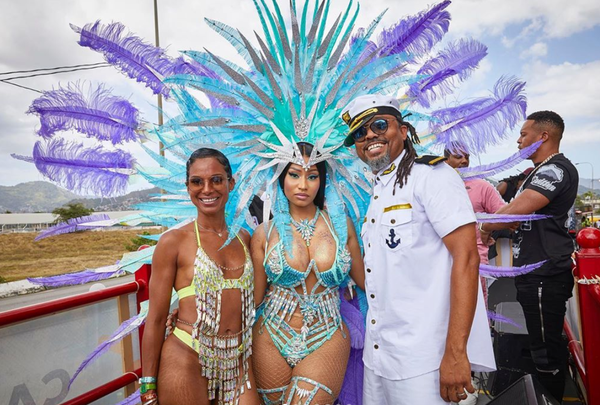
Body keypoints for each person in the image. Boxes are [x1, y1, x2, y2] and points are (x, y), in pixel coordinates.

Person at [342, 94, 495, 405]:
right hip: (380, 356)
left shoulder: (432, 176)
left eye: (379, 125)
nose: (369, 136)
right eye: (359, 132)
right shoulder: (378, 191)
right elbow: (381, 275)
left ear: (403, 130)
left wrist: (456, 354)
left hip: (427, 362)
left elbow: (467, 259)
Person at [140, 148, 260, 405]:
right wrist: (148, 385)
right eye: (197, 182)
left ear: (230, 183)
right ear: (188, 187)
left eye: (216, 180)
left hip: (236, 360)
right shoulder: (173, 242)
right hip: (186, 355)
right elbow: (157, 318)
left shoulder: (244, 238)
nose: (207, 189)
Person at [250, 142, 365, 405]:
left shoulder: (341, 227)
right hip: (270, 336)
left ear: (321, 180)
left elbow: (366, 283)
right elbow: (254, 299)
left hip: (327, 334)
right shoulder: (263, 234)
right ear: (281, 177)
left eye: (312, 176)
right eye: (294, 174)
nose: (303, 185)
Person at [481, 111, 578, 402]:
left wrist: (487, 226)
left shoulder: (554, 170)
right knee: (539, 346)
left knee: (545, 352)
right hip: (534, 273)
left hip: (545, 275)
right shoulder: (538, 171)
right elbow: (514, 213)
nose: (519, 140)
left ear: (543, 136)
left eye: (524, 134)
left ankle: (552, 398)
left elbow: (516, 210)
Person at [444, 148, 507, 305]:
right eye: (458, 156)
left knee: (475, 307)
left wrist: (486, 228)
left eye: (467, 157)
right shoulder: (434, 186)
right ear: (446, 160)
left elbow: (506, 216)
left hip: (474, 258)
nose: (464, 161)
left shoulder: (482, 186)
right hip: (441, 258)